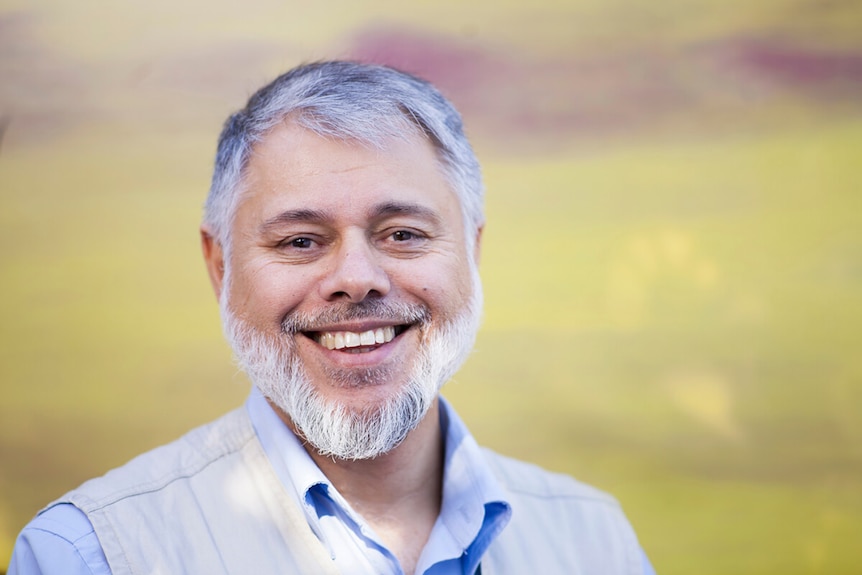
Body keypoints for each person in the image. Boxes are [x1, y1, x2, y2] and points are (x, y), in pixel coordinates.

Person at [8, 61, 655, 574]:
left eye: (402, 233)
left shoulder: (594, 539)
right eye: (300, 241)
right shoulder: (87, 555)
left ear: (472, 250)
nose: (356, 278)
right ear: (219, 265)